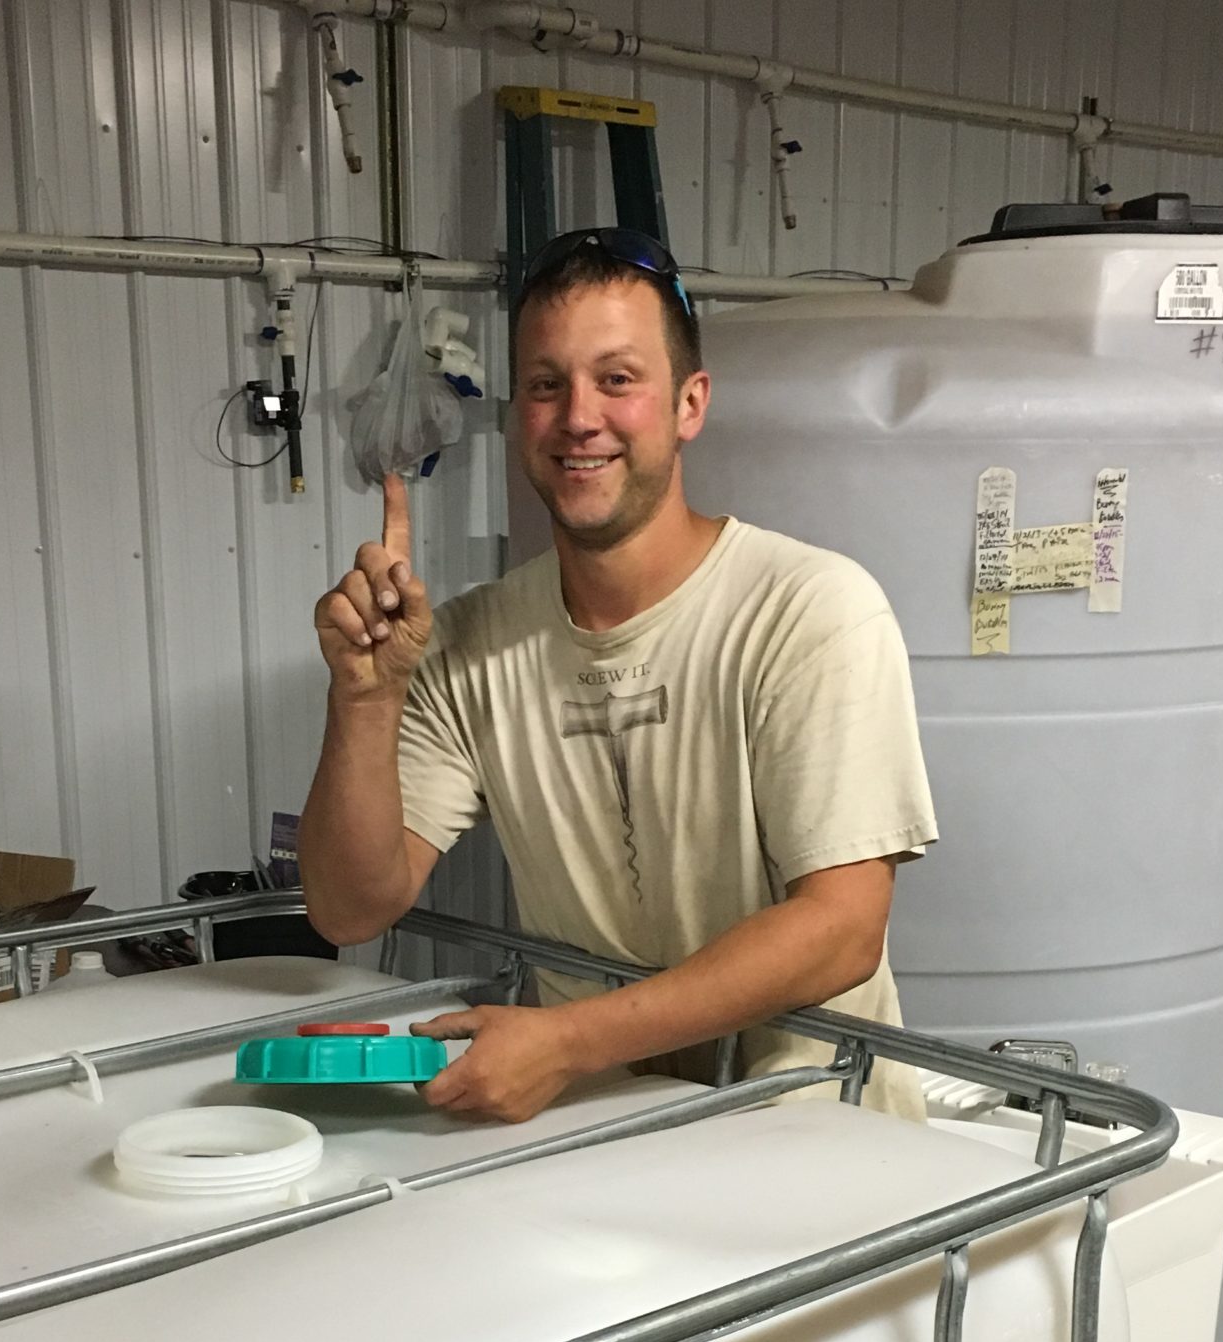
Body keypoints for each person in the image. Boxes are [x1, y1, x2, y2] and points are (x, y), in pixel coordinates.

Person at [299, 227, 936, 1124]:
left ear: (690, 403)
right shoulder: (471, 643)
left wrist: (562, 1042)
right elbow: (350, 907)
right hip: (602, 1132)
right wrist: (364, 699)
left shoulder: (809, 610)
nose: (579, 417)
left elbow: (841, 928)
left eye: (618, 379)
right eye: (547, 384)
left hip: (808, 1136)